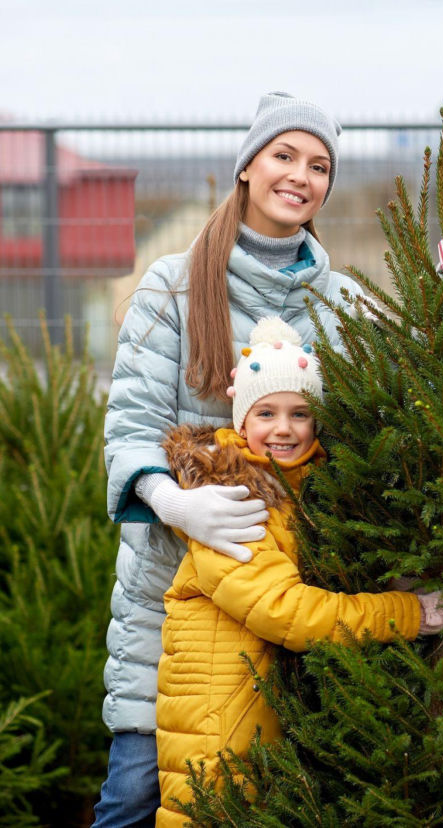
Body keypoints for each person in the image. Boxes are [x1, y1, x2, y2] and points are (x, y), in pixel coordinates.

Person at [94, 91, 367, 827]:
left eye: (319, 166)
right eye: (284, 156)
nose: (300, 177)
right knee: (134, 791)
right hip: (172, 597)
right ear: (248, 166)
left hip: (291, 595)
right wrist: (174, 501)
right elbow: (131, 429)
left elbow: (375, 431)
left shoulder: (341, 303)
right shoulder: (174, 287)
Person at [154, 317, 443, 827]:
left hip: (266, 715)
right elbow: (286, 611)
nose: (284, 428)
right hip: (221, 727)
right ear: (241, 418)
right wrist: (409, 612)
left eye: (301, 413)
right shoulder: (231, 498)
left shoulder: (311, 491)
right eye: (266, 413)